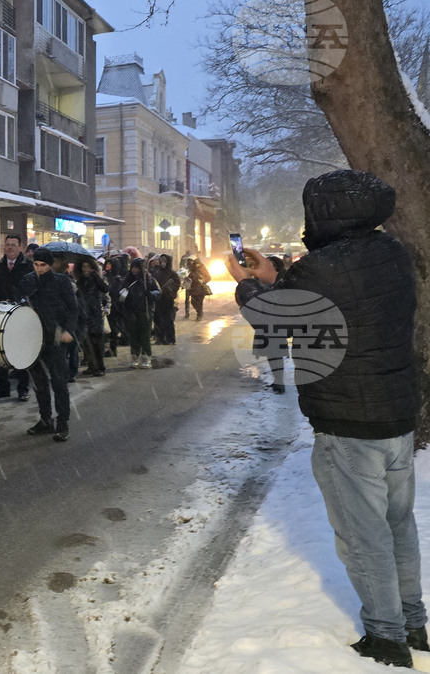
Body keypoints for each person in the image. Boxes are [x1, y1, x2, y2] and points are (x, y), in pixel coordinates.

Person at [226, 169, 425, 669]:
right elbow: (332, 300)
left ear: (327, 214)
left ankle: (385, 637)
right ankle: (412, 619)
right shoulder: (393, 254)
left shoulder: (322, 269)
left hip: (348, 423)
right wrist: (274, 274)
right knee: (398, 524)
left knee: (363, 534)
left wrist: (249, 286)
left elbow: (275, 317)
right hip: (396, 415)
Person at [18, 248, 77, 442]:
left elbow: (73, 308)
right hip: (34, 338)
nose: (39, 268)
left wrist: (68, 330)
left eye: (43, 265)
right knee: (39, 382)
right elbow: (19, 301)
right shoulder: (28, 280)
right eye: (36, 264)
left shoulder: (61, 282)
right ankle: (45, 420)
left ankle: (63, 423)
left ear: (50, 265)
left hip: (55, 338)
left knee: (59, 382)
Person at [0, 234, 32, 401]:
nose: (9, 247)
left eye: (13, 245)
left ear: (20, 247)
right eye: (7, 244)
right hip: (1, 315)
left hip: (21, 315)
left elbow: (33, 289)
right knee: (0, 351)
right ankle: (3, 387)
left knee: (20, 352)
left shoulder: (28, 267)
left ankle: (23, 389)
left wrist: (21, 300)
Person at [119, 259, 159, 369]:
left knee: (145, 335)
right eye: (133, 267)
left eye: (137, 267)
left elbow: (157, 293)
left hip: (145, 311)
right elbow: (120, 293)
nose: (134, 270)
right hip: (131, 311)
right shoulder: (128, 278)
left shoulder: (148, 279)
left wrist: (149, 294)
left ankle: (146, 357)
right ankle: (135, 356)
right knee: (133, 335)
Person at [75, 258, 108, 376]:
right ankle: (91, 365)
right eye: (84, 266)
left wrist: (95, 276)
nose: (86, 269)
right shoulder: (80, 280)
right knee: (87, 342)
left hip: (95, 313)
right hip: (84, 313)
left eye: (88, 266)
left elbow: (105, 289)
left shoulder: (96, 279)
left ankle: (100, 367)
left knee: (97, 342)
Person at [151, 255, 180, 345]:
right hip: (159, 299)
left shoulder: (172, 273)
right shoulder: (157, 272)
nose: (163, 263)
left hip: (168, 299)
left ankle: (170, 338)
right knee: (158, 319)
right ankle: (160, 338)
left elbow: (177, 284)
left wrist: (170, 290)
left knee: (168, 319)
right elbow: (153, 283)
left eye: (165, 261)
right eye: (161, 261)